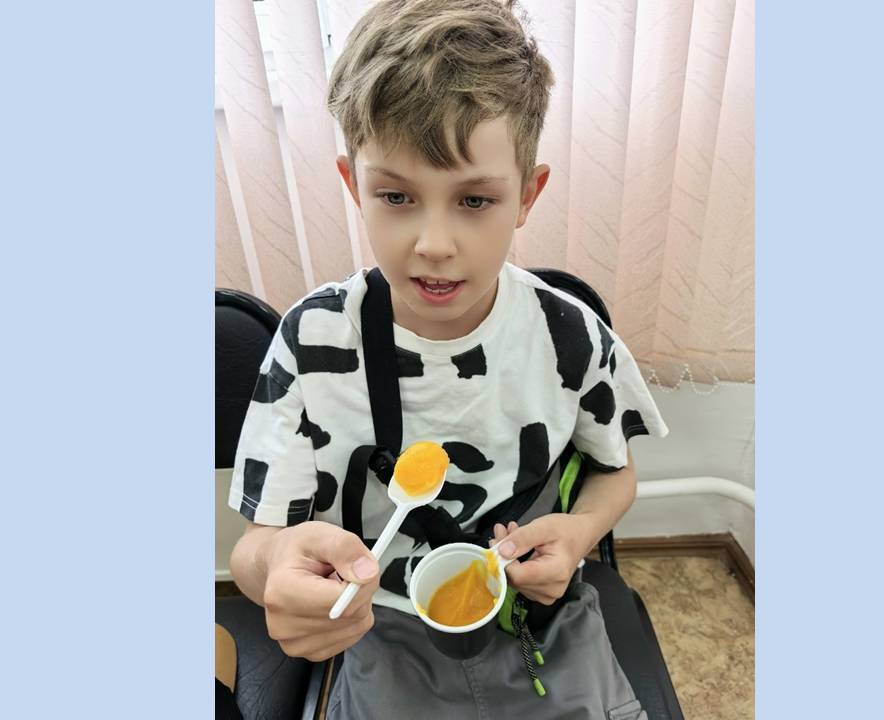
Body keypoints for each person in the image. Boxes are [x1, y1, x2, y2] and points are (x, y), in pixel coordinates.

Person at [227, 1, 667, 716]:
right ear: (353, 186)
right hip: (382, 628)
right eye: (396, 196)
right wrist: (275, 565)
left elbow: (615, 472)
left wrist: (581, 532)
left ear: (526, 195)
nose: (434, 244)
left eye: (474, 201)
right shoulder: (313, 346)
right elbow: (258, 545)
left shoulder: (569, 337)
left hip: (539, 623)